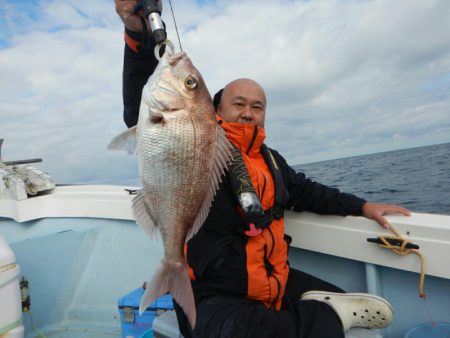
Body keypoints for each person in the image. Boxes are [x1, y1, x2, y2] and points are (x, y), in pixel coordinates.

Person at [115, 2, 411, 337]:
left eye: (257, 106)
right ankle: (326, 315)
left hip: (271, 279)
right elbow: (138, 107)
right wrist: (136, 35)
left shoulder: (271, 160)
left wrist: (363, 206)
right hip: (214, 295)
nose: (248, 112)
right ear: (214, 110)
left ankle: (320, 310)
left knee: (328, 303)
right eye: (238, 104)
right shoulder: (200, 144)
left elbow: (308, 192)